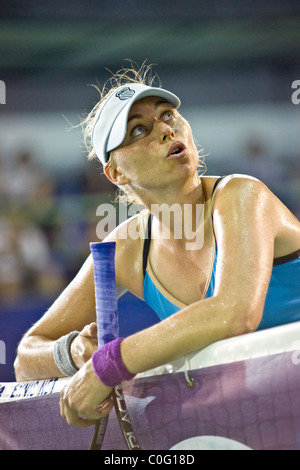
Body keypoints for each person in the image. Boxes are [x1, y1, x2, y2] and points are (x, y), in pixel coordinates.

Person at [14, 64, 300, 428]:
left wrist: (107, 365)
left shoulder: (242, 194)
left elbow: (235, 313)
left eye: (168, 116)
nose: (166, 130)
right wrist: (74, 353)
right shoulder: (128, 248)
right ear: (116, 173)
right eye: (139, 129)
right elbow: (26, 357)